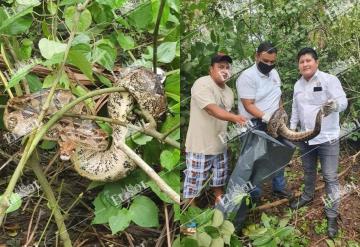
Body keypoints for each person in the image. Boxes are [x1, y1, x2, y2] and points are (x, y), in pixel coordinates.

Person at [289, 47, 347, 238]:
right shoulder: (298, 86)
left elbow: (343, 102)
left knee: (330, 176)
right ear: (299, 66)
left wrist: (334, 106)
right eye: (301, 62)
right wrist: (291, 129)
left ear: (316, 62)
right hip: (305, 137)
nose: (305, 64)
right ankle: (307, 196)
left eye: (308, 60)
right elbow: (296, 109)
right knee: (308, 170)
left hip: (327, 137)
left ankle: (331, 214)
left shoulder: (329, 80)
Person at [183, 53, 247, 207]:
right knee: (193, 188)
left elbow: (224, 115)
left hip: (220, 146)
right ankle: (189, 224)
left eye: (227, 67)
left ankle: (220, 211)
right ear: (211, 69)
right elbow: (211, 109)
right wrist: (235, 118)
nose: (224, 70)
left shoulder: (229, 92)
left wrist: (239, 120)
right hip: (200, 147)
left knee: (219, 183)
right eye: (220, 67)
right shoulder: (202, 83)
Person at [235, 41, 291, 202]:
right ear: (257, 56)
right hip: (254, 124)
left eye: (272, 62)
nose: (269, 64)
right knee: (254, 161)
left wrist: (281, 114)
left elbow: (277, 95)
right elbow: (248, 104)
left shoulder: (274, 74)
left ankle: (279, 188)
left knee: (278, 154)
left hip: (275, 121)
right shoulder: (247, 76)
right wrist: (267, 117)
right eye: (265, 61)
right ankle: (255, 196)